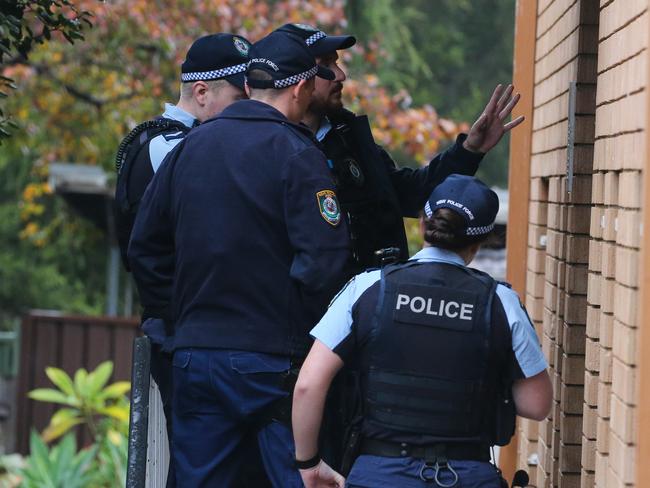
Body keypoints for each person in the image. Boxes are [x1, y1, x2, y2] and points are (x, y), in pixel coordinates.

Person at [128, 30, 350, 487]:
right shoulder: (298, 154)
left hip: (195, 357)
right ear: (300, 88)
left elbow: (145, 247)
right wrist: (301, 333)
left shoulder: (189, 148)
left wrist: (180, 319)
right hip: (271, 361)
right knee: (297, 476)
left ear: (250, 87)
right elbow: (326, 260)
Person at [292, 174, 553, 488]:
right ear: (479, 243)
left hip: (379, 475)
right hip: (466, 475)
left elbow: (308, 385)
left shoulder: (368, 288)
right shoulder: (501, 302)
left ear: (421, 224)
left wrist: (308, 463)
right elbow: (536, 405)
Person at [278, 23, 524, 275]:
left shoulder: (349, 137)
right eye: (327, 65)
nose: (340, 75)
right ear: (297, 73)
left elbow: (411, 194)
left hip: (366, 301)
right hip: (301, 309)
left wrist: (470, 149)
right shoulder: (269, 145)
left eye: (337, 63)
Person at [116, 32, 251, 487]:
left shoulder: (179, 142)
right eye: (239, 96)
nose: (250, 108)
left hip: (188, 328)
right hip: (179, 330)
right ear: (201, 92)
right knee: (197, 465)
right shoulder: (171, 148)